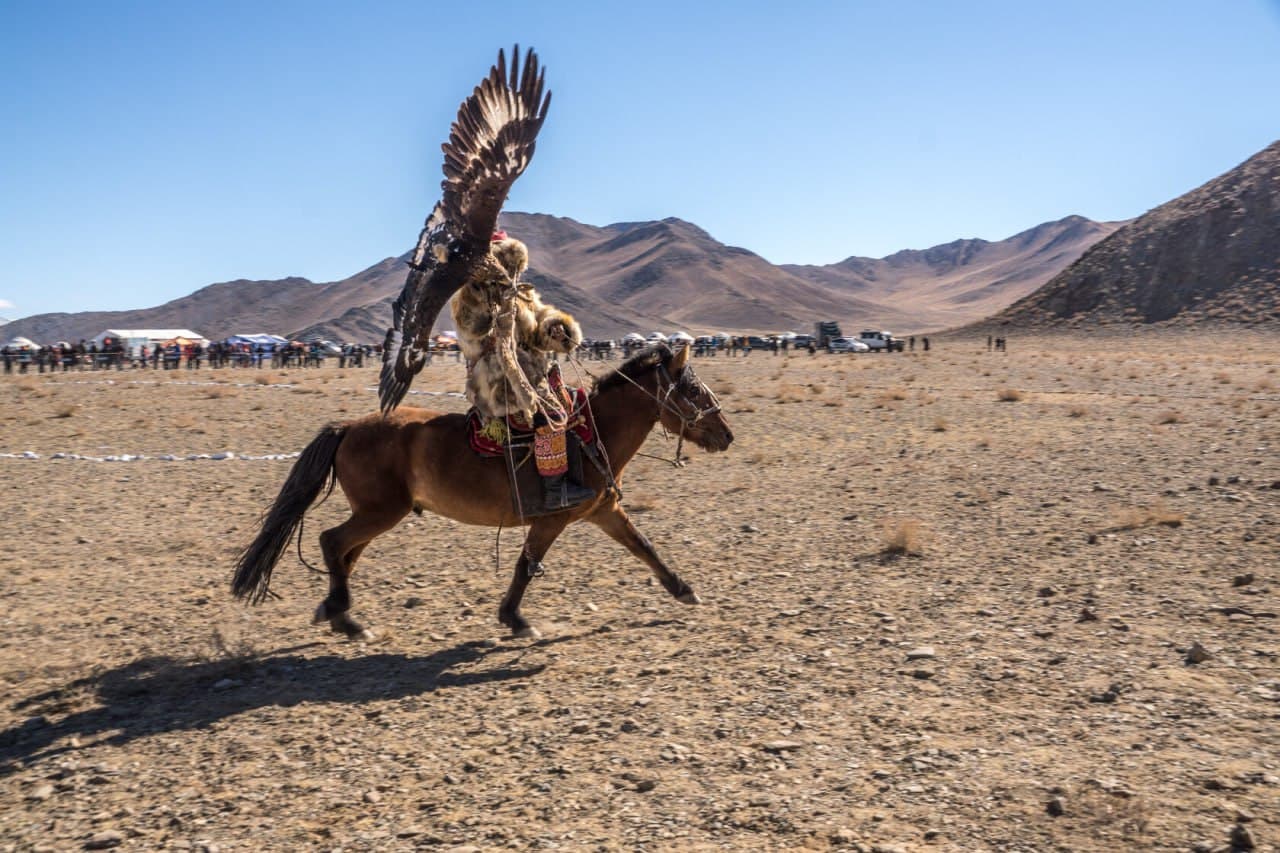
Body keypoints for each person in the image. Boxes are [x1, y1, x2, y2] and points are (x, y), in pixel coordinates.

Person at [452, 230, 595, 512]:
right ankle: (555, 489)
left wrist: (556, 328)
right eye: (501, 263)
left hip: (533, 372)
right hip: (496, 379)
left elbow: (539, 323)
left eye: (510, 265)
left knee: (576, 400)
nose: (507, 270)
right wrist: (481, 293)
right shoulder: (469, 295)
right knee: (552, 415)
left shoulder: (522, 293)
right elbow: (472, 328)